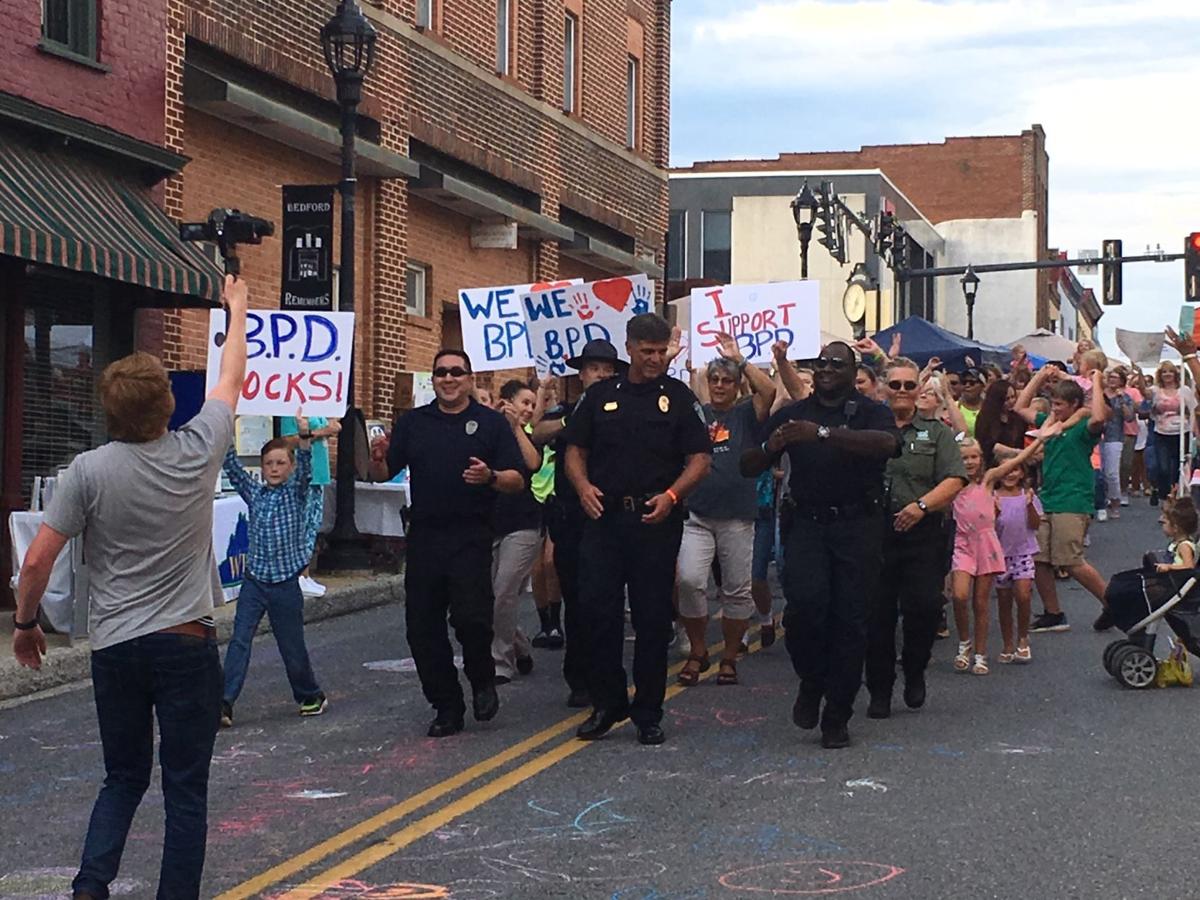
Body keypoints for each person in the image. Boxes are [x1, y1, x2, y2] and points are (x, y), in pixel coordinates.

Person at [12, 275, 248, 900]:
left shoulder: (86, 471)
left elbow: (36, 562)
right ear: (168, 406)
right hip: (184, 642)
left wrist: (25, 623)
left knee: (122, 777)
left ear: (108, 410)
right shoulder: (200, 449)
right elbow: (230, 379)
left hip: (116, 647)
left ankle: (91, 886)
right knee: (185, 788)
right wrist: (237, 308)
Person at [741, 341, 900, 749]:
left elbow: (887, 445)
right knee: (805, 613)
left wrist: (825, 435)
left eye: (837, 364)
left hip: (857, 524)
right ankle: (812, 682)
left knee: (850, 621)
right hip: (807, 525)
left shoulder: (871, 411)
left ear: (852, 370)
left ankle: (837, 714)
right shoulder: (794, 414)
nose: (827, 369)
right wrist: (772, 447)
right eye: (822, 363)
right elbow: (747, 463)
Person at [564, 313, 711, 745]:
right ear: (628, 348)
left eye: (661, 351)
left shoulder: (678, 397)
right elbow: (575, 449)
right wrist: (582, 486)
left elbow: (700, 459)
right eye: (646, 351)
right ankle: (608, 703)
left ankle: (648, 710)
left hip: (654, 520)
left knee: (651, 618)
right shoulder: (600, 396)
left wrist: (672, 496)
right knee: (597, 612)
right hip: (604, 519)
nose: (654, 359)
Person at [370, 349, 526, 738]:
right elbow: (383, 471)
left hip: (471, 536)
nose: (449, 378)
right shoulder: (414, 423)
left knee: (472, 619)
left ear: (470, 379)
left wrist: (490, 476)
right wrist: (375, 458)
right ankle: (446, 704)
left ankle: (482, 678)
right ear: (434, 379)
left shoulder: (489, 424)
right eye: (441, 373)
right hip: (425, 536)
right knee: (421, 627)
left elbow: (517, 479)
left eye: (457, 372)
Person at [866, 359, 966, 719]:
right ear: (883, 388)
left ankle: (914, 668)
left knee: (923, 608)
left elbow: (955, 478)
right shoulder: (868, 426)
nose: (903, 392)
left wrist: (921, 507)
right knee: (876, 616)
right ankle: (879, 688)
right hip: (875, 532)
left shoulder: (935, 432)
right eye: (896, 385)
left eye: (910, 385)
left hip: (922, 532)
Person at [677, 332, 775, 687]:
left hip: (737, 516)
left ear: (736, 386)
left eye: (726, 380)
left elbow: (769, 392)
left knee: (736, 590)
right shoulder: (696, 414)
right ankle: (698, 651)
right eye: (713, 379)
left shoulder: (746, 414)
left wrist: (741, 359)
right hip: (697, 515)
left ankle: (730, 657)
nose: (719, 385)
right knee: (688, 581)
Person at [531, 339, 622, 708]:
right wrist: (569, 419)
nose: (601, 374)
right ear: (582, 374)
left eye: (607, 368)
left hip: (610, 516)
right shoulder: (569, 411)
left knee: (605, 600)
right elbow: (537, 434)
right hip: (571, 516)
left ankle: (605, 674)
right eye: (594, 368)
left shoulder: (622, 409)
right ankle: (579, 676)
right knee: (576, 598)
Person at [220, 420, 327, 727]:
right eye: (269, 463)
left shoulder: (295, 493)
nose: (275, 468)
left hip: (284, 583)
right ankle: (224, 702)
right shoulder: (255, 494)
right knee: (240, 639)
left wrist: (304, 440)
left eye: (281, 463)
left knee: (290, 645)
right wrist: (226, 431)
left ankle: (309, 693)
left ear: (290, 467)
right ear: (262, 468)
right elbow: (233, 468)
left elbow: (306, 472)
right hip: (255, 581)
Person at [1014, 366, 1111, 633]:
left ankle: (1112, 603)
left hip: (1073, 499)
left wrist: (1096, 380)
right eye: (1053, 403)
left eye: (1059, 404)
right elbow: (1021, 408)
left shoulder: (1082, 428)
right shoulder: (1049, 424)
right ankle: (1053, 613)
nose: (1054, 409)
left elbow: (1099, 416)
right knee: (1040, 559)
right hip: (1048, 498)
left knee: (1071, 560)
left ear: (1074, 405)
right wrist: (1039, 377)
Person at [950, 434, 1050, 675]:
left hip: (987, 545)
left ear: (982, 460)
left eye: (974, 457)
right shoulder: (952, 484)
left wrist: (1041, 438)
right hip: (963, 544)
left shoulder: (987, 481)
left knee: (981, 602)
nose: (970, 462)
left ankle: (981, 655)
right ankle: (964, 643)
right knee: (960, 595)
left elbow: (1020, 459)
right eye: (964, 458)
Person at [489, 379, 545, 684]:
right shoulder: (486, 428)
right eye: (524, 402)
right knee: (489, 597)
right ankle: (520, 644)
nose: (529, 409)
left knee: (504, 592)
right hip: (489, 524)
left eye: (532, 405)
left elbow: (533, 463)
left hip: (523, 524)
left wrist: (514, 428)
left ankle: (500, 662)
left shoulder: (525, 435)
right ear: (506, 401)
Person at [279, 413, 341, 598]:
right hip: (303, 474)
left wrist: (330, 428)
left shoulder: (318, 407)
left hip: (319, 473)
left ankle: (305, 574)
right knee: (302, 525)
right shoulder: (292, 410)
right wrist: (324, 431)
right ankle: (296, 575)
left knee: (312, 525)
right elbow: (288, 441)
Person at [994, 452, 1042, 664]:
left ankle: (1023, 638)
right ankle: (1007, 643)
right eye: (1005, 470)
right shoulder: (993, 495)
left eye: (1014, 469)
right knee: (1004, 601)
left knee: (1023, 595)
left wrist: (1030, 504)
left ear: (1022, 472)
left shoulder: (1027, 495)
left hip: (1023, 552)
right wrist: (994, 510)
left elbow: (1035, 524)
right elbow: (990, 527)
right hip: (999, 556)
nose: (1010, 474)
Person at [1143, 359, 1194, 504]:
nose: (1167, 374)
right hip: (1162, 432)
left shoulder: (1184, 391)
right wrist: (1139, 372)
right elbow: (1144, 393)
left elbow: (1193, 411)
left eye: (1170, 371)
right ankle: (1164, 497)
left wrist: (1194, 432)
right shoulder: (1155, 391)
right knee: (1163, 467)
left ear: (1175, 374)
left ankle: (1176, 498)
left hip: (1181, 432)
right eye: (1164, 371)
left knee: (1179, 468)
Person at [1100, 370, 1135, 520]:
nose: (1112, 380)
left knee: (1112, 473)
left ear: (1121, 381)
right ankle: (1100, 503)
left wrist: (1121, 401)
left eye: (1115, 377)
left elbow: (1129, 417)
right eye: (1110, 377)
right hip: (1097, 436)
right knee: (1099, 473)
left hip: (1115, 436)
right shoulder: (1099, 394)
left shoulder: (1124, 397)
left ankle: (1115, 501)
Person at [974, 379, 1027, 467]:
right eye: (1007, 399)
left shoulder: (1017, 418)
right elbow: (989, 446)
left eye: (1013, 397)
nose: (1011, 401)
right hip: (993, 465)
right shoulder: (985, 419)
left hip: (1016, 464)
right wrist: (1020, 453)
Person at [1154, 497, 1198, 573]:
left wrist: (1169, 567)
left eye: (1164, 523)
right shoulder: (1176, 542)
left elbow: (1189, 567)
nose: (1162, 526)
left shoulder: (1184, 546)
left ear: (1175, 528)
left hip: (1178, 580)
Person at [957, 367, 986, 437]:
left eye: (972, 383)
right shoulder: (954, 407)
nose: (967, 385)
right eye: (964, 382)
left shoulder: (990, 408)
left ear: (982, 386)